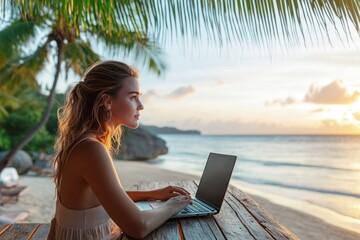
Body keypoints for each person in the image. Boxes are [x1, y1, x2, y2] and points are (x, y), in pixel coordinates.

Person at [47, 61, 192, 239]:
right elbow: (138, 227)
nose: (141, 105)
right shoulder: (91, 149)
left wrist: (153, 195)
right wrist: (174, 205)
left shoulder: (83, 143)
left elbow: (107, 198)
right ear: (107, 101)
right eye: (133, 97)